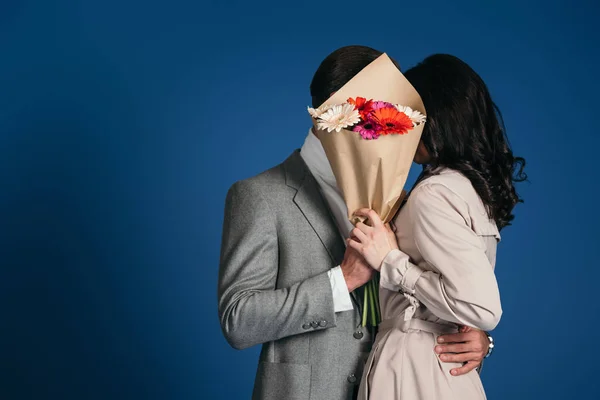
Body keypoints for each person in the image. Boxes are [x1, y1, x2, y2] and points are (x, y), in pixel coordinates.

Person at [218, 47, 492, 400]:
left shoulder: (404, 202)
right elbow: (238, 320)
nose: (396, 126)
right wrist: (342, 280)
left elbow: (429, 302)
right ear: (338, 111)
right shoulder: (259, 195)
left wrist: (476, 341)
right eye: (382, 109)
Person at [347, 54, 527, 399]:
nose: (402, 126)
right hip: (441, 367)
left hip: (414, 366)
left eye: (411, 115)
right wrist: (482, 341)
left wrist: (391, 262)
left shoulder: (435, 191)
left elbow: (481, 308)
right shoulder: (466, 186)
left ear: (437, 118)